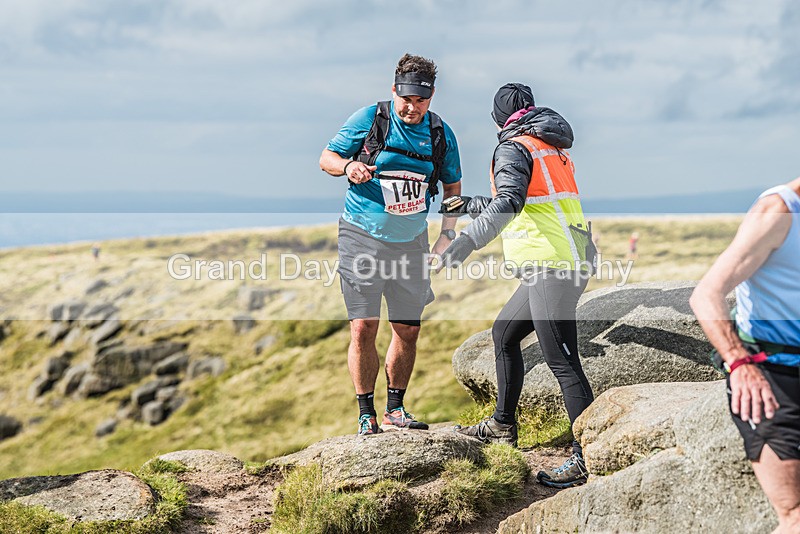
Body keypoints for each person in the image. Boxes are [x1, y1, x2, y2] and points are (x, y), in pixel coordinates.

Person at [438, 82, 596, 488]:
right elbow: (527, 201)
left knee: (563, 363)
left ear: (497, 120)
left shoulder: (512, 147)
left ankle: (588, 456)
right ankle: (502, 426)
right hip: (567, 257)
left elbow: (510, 202)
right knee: (504, 334)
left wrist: (467, 240)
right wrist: (471, 204)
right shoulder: (549, 144)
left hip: (551, 265)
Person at [319, 54, 462, 436]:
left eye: (421, 100)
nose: (412, 107)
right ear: (394, 91)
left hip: (411, 242)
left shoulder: (440, 133)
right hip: (361, 236)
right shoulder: (371, 119)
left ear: (431, 97)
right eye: (406, 99)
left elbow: (452, 188)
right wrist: (348, 167)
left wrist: (446, 235)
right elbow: (326, 158)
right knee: (364, 327)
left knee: (407, 330)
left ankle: (394, 410)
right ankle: (366, 414)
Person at [691, 178, 800, 534]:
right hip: (773, 378)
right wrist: (738, 363)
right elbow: (706, 294)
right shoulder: (777, 212)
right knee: (795, 515)